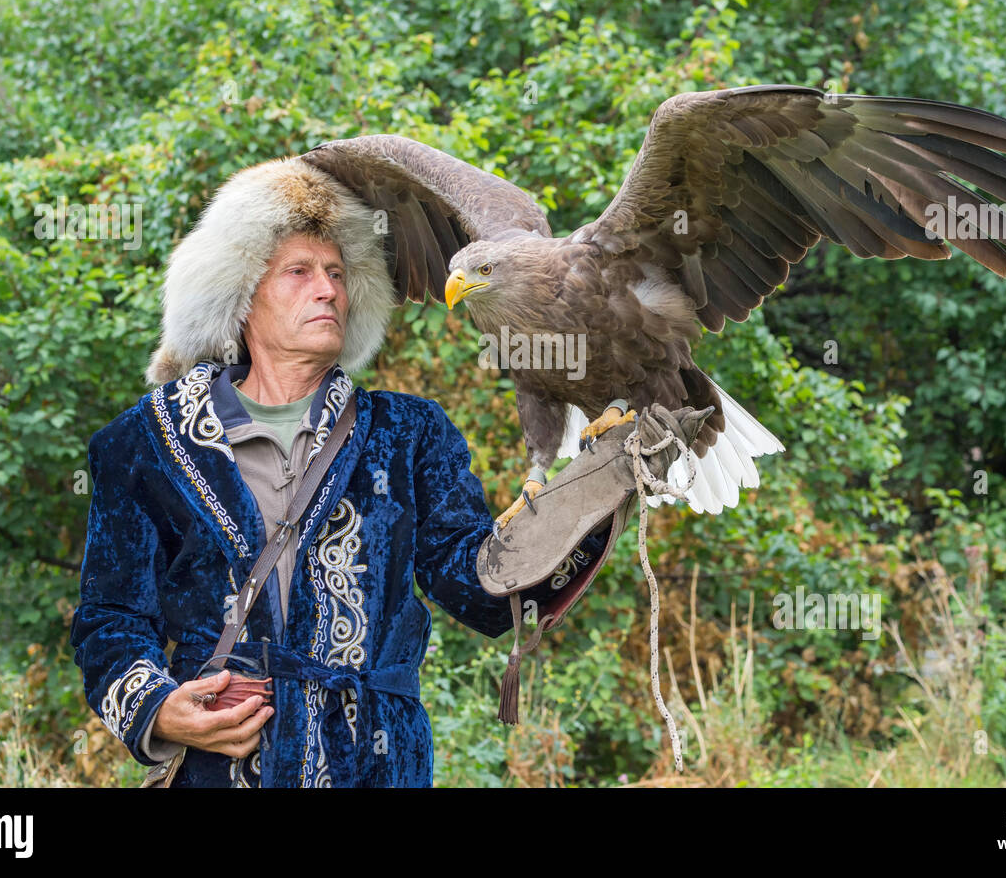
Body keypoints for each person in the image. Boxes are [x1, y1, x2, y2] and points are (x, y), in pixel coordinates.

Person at [68, 156, 667, 787]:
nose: (327, 288)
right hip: (222, 770)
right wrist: (159, 712)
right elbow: (110, 619)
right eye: (299, 272)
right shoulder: (144, 442)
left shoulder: (408, 434)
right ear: (240, 295)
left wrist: (592, 497)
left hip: (380, 766)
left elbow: (485, 592)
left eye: (336, 272)